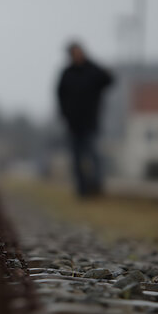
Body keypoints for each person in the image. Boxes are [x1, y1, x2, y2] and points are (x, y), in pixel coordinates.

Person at [56, 41, 114, 197]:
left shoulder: (93, 70)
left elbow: (109, 80)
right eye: (74, 53)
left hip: (90, 122)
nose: (77, 56)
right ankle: (82, 190)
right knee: (76, 159)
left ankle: (96, 186)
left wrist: (107, 72)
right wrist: (64, 114)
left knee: (93, 155)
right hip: (73, 124)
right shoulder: (67, 74)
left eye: (79, 52)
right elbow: (59, 96)